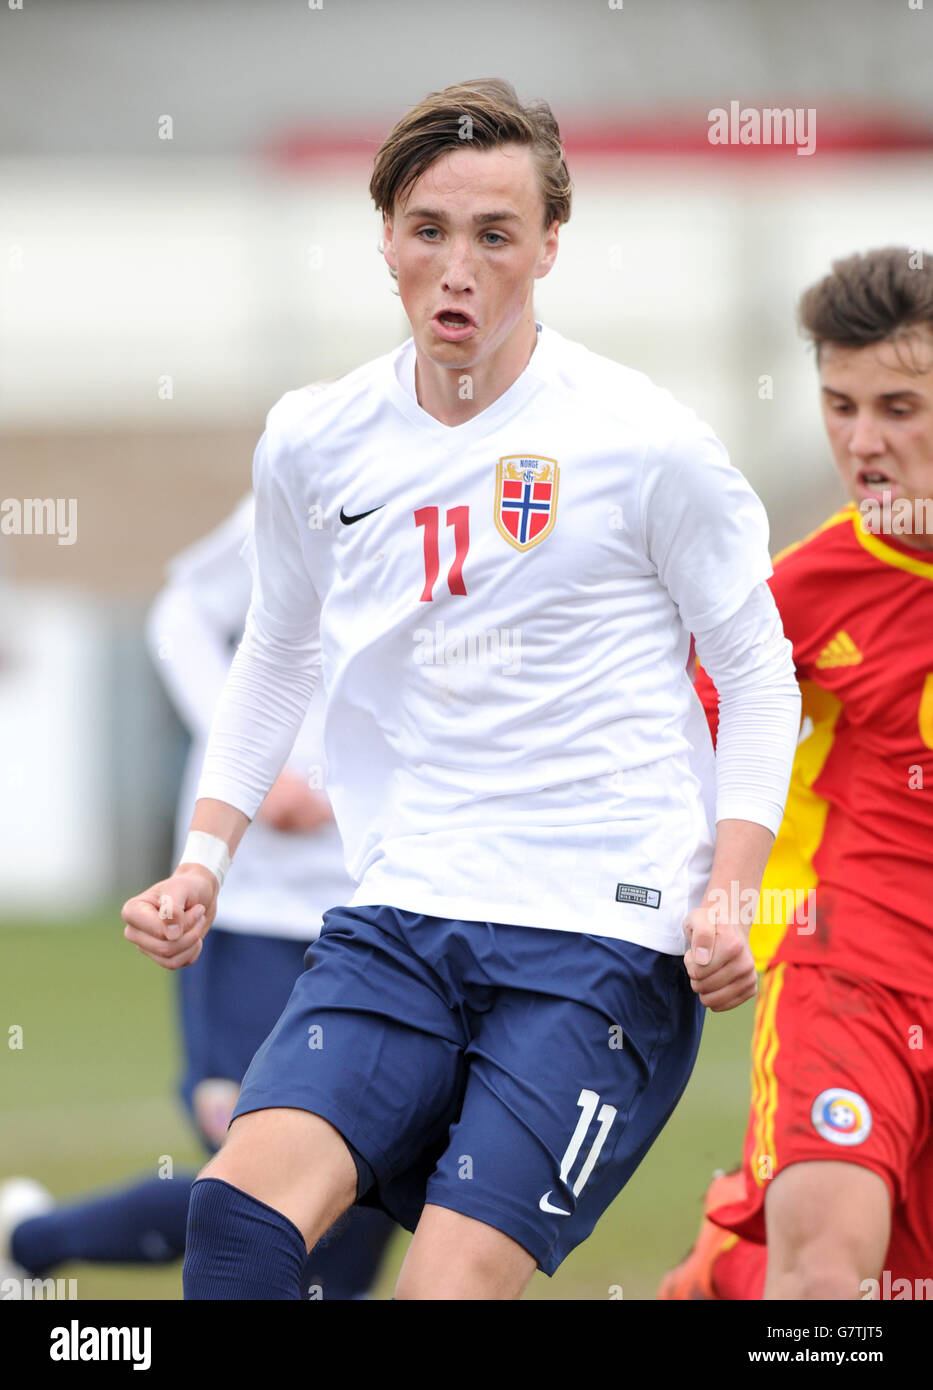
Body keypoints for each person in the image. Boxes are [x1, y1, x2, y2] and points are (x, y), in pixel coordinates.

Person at [121, 77, 801, 1302]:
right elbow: (278, 647)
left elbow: (757, 667)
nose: (459, 266)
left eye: (495, 235)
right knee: (236, 1219)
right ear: (385, 237)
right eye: (429, 229)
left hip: (602, 934)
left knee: (444, 1288)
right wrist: (204, 860)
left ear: (549, 246)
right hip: (404, 910)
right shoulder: (315, 439)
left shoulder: (644, 442)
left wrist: (732, 891)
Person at [1, 494, 395, 1299]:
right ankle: (28, 1242)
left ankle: (29, 1240)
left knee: (374, 1173)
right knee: (261, 1178)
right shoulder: (318, 482)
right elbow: (179, 613)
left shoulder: (466, 499)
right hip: (252, 915)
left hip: (382, 911)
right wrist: (260, 768)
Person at [659, 247, 933, 1301]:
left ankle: (723, 1275)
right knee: (827, 1274)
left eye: (900, 406)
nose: (863, 442)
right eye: (840, 405)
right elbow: (680, 756)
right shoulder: (804, 593)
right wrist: (717, 906)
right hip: (851, 970)